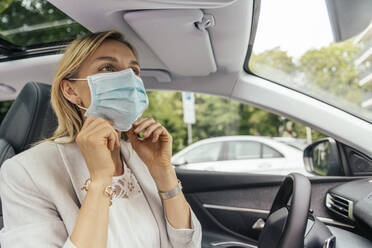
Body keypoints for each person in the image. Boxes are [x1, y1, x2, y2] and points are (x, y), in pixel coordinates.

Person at [0, 30, 202, 248]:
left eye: (134, 70)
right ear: (70, 90)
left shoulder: (140, 155)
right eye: (107, 68)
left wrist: (163, 171)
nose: (128, 79)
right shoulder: (25, 171)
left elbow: (188, 243)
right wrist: (100, 179)